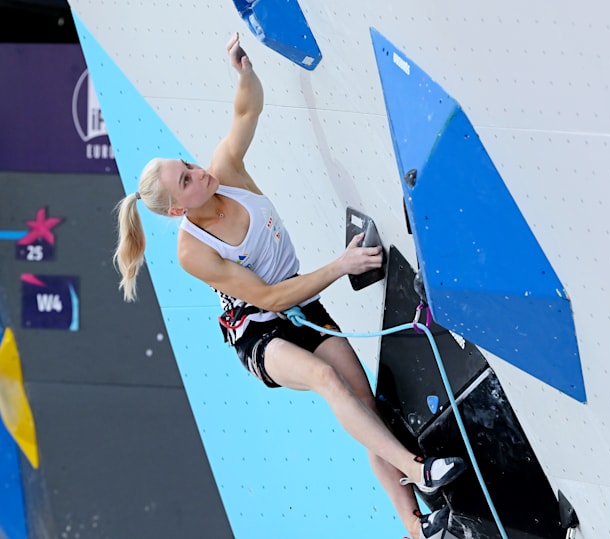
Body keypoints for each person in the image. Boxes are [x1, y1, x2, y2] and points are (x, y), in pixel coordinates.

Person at [113, 33, 464, 539]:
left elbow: (246, 112)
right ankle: (418, 471)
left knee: (365, 405)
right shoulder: (192, 251)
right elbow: (272, 298)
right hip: (259, 330)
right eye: (185, 181)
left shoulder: (224, 171)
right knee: (326, 381)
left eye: (186, 165)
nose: (196, 173)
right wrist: (341, 264)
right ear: (176, 210)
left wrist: (244, 72)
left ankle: (414, 526)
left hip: (301, 305)